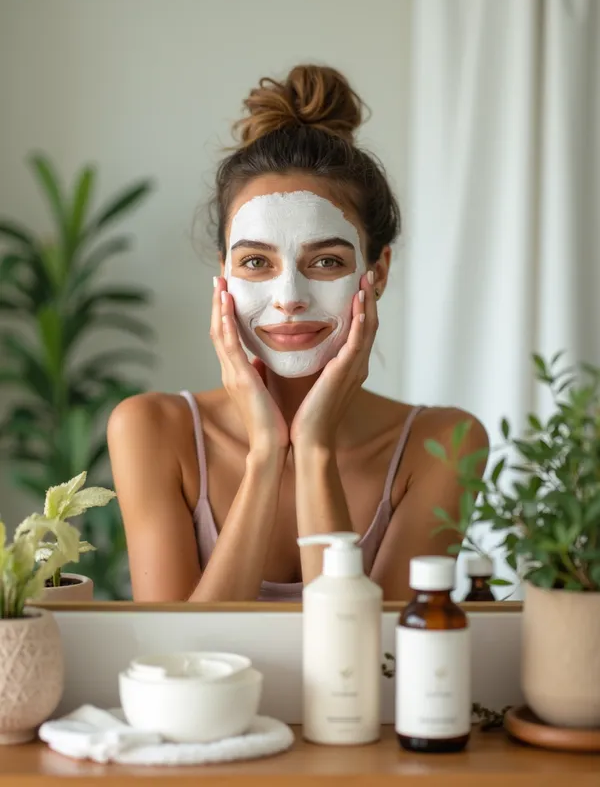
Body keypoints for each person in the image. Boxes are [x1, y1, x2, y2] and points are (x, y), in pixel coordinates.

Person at [108, 64, 488, 603]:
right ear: (223, 272)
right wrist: (266, 454)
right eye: (256, 261)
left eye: (327, 260)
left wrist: (314, 450)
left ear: (377, 272)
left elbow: (368, 650)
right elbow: (180, 645)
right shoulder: (152, 430)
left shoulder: (444, 445)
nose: (289, 296)